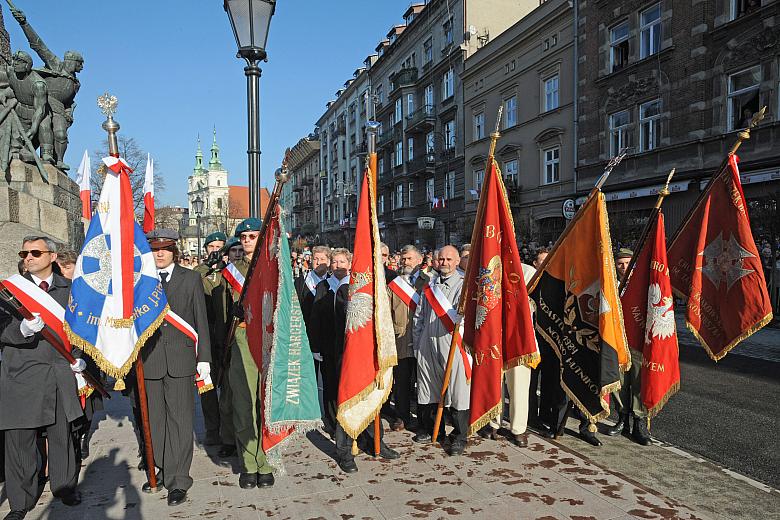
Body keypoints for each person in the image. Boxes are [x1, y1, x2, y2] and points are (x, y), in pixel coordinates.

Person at [1, 236, 85, 518]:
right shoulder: (9, 290)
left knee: (62, 435)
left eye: (35, 252)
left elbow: (81, 328)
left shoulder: (71, 289)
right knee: (20, 441)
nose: (29, 257)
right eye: (24, 252)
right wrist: (21, 330)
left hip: (60, 372)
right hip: (22, 375)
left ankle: (65, 487)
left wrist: (80, 357)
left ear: (52, 256)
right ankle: (21, 502)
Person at [141, 229, 211, 506]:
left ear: (174, 251)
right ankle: (161, 466)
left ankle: (178, 479)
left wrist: (203, 358)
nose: (159, 253)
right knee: (155, 421)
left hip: (181, 360)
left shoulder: (190, 278)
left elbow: (200, 319)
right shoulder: (140, 280)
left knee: (181, 422)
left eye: (165, 248)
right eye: (155, 249)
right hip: (149, 360)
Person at [313, 248, 398, 473]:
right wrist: (317, 347)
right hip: (333, 353)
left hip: (358, 353)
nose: (338, 265)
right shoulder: (324, 287)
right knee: (341, 400)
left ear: (350, 264)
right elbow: (317, 320)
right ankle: (344, 450)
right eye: (335, 262)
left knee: (366, 396)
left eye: (343, 261)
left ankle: (374, 440)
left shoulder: (359, 287)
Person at [223, 218, 275, 489]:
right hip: (242, 338)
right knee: (243, 405)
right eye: (243, 237)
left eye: (252, 236)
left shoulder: (273, 268)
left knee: (265, 403)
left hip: (268, 339)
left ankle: (265, 460)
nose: (246, 241)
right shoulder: (231, 272)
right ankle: (249, 462)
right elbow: (222, 313)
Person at [413, 245, 471, 456]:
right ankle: (430, 429)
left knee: (457, 392)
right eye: (441, 259)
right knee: (428, 387)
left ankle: (459, 436)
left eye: (449, 259)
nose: (444, 263)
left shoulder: (465, 286)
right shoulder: (429, 286)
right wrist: (418, 343)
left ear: (457, 262)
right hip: (428, 344)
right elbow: (419, 316)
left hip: (453, 344)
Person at [482, 260, 536, 447]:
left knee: (519, 386)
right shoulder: (489, 266)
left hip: (519, 339)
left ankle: (518, 428)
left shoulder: (528, 272)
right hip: (494, 337)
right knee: (494, 383)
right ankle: (493, 423)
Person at [605, 248, 650, 445]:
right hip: (617, 340)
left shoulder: (642, 285)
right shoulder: (611, 285)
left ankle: (639, 422)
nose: (624, 267)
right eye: (620, 263)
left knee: (639, 382)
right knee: (619, 382)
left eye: (627, 263)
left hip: (638, 341)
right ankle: (622, 419)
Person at [388, 245, 429, 432]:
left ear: (419, 260)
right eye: (403, 259)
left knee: (423, 382)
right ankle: (401, 416)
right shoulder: (394, 285)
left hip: (423, 340)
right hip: (400, 340)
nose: (405, 262)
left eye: (410, 258)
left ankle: (423, 420)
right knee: (402, 382)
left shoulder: (429, 282)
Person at [192, 232, 227, 448]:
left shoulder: (231, 272)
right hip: (206, 335)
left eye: (219, 246)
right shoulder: (198, 273)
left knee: (229, 386)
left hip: (227, 334)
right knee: (207, 386)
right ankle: (213, 429)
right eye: (211, 246)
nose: (215, 250)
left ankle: (229, 429)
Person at [294, 245, 331, 386]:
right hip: (305, 337)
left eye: (322, 259)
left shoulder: (333, 283)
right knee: (307, 381)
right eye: (315, 259)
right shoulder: (301, 282)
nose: (318, 262)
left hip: (327, 339)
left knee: (329, 382)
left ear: (328, 262)